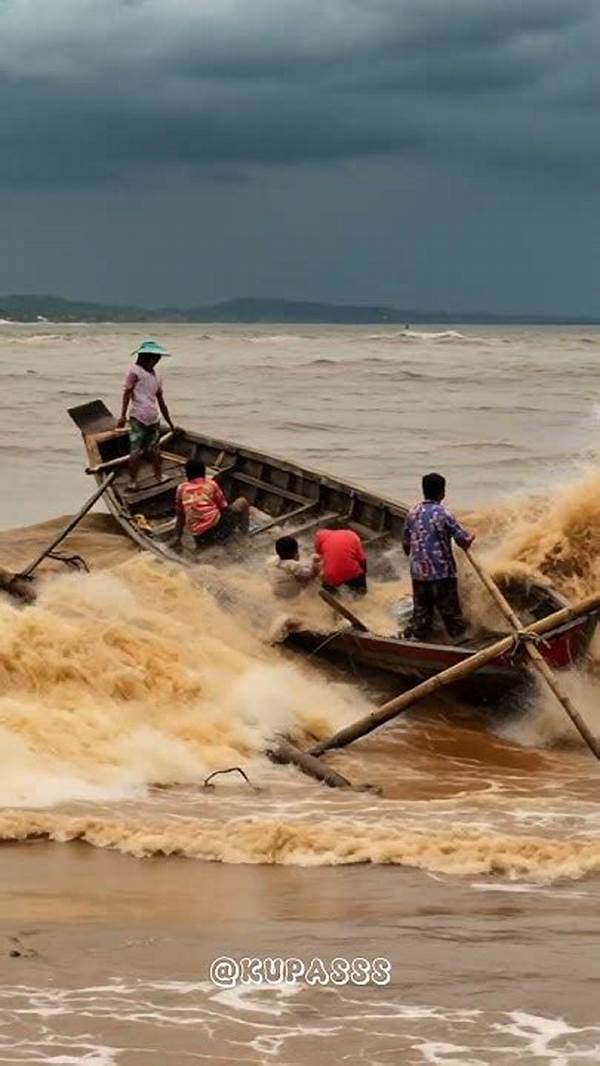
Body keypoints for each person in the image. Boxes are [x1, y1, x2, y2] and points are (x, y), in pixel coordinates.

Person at [402, 472, 474, 642]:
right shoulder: (444, 514)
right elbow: (462, 541)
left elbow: (406, 544)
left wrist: (417, 560)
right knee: (449, 611)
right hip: (441, 572)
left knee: (421, 611)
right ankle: (460, 641)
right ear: (442, 492)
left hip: (418, 572)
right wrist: (471, 537)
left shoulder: (412, 513)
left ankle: (418, 639)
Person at [117, 339, 176, 491]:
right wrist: (122, 416)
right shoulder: (134, 371)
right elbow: (127, 393)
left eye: (157, 358)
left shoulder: (156, 376)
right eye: (153, 358)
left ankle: (159, 475)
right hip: (138, 416)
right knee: (135, 450)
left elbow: (161, 402)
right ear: (145, 357)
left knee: (155, 449)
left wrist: (170, 423)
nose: (156, 361)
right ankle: (133, 481)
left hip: (153, 417)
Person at [173, 458, 249, 549]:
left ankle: (205, 544)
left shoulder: (181, 488)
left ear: (187, 474)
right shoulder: (211, 484)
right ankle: (244, 535)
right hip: (218, 529)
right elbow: (223, 507)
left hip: (200, 537)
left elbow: (180, 515)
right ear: (204, 472)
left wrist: (177, 537)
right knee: (242, 502)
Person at [314, 523, 367, 595]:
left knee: (326, 578)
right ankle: (361, 591)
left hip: (332, 576)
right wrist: (363, 575)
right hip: (354, 574)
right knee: (360, 592)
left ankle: (333, 594)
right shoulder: (352, 535)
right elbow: (362, 560)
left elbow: (319, 554)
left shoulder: (321, 535)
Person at [266, 535, 320, 599]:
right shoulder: (295, 566)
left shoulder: (271, 561)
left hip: (277, 594)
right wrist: (315, 563)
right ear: (296, 553)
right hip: (292, 597)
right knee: (312, 580)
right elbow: (311, 575)